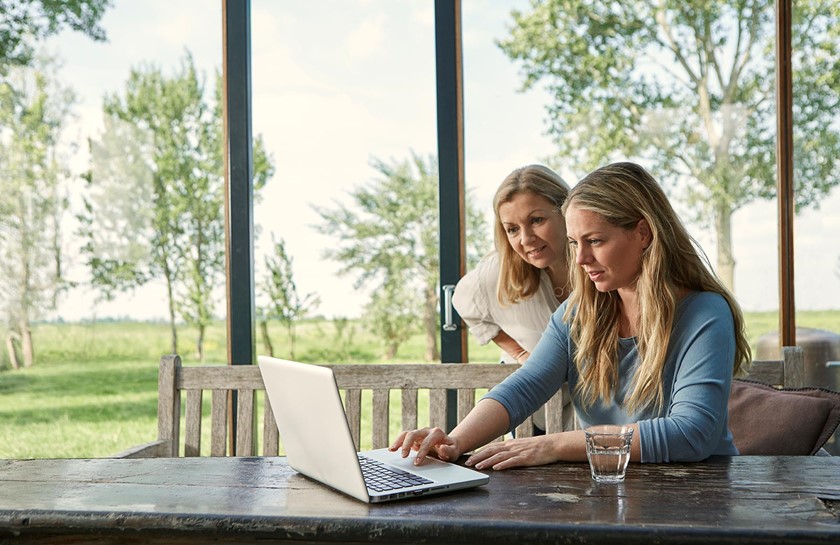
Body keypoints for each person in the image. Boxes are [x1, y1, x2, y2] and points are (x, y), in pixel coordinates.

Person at [391, 161, 751, 468]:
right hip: (612, 492)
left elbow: (692, 434)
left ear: (643, 233)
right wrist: (454, 441)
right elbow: (526, 385)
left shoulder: (704, 314)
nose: (580, 260)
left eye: (595, 241)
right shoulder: (579, 312)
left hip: (699, 498)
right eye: (576, 243)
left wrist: (556, 444)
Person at [452, 164, 575, 432]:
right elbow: (464, 303)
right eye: (512, 229)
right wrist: (518, 352)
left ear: (566, 212)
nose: (526, 239)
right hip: (531, 416)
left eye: (536, 220)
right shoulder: (496, 274)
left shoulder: (599, 265)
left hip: (596, 420)